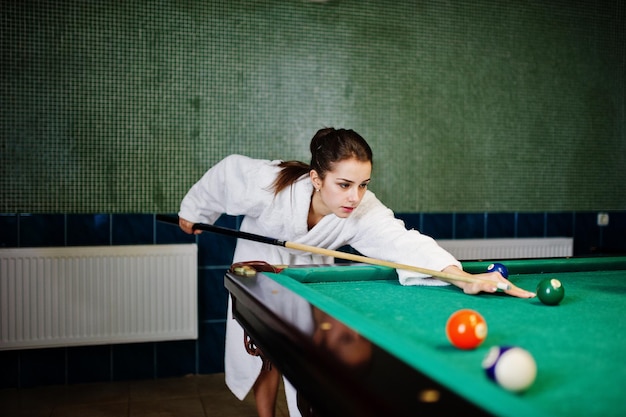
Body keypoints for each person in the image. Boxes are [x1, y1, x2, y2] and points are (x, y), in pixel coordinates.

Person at [178, 127, 535, 417]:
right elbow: (226, 175)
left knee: (298, 353)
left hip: (308, 275)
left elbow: (402, 242)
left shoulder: (363, 209)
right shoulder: (269, 183)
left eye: (363, 184)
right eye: (344, 185)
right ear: (317, 179)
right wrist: (195, 211)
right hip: (257, 264)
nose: (355, 196)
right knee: (262, 350)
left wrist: (458, 275)